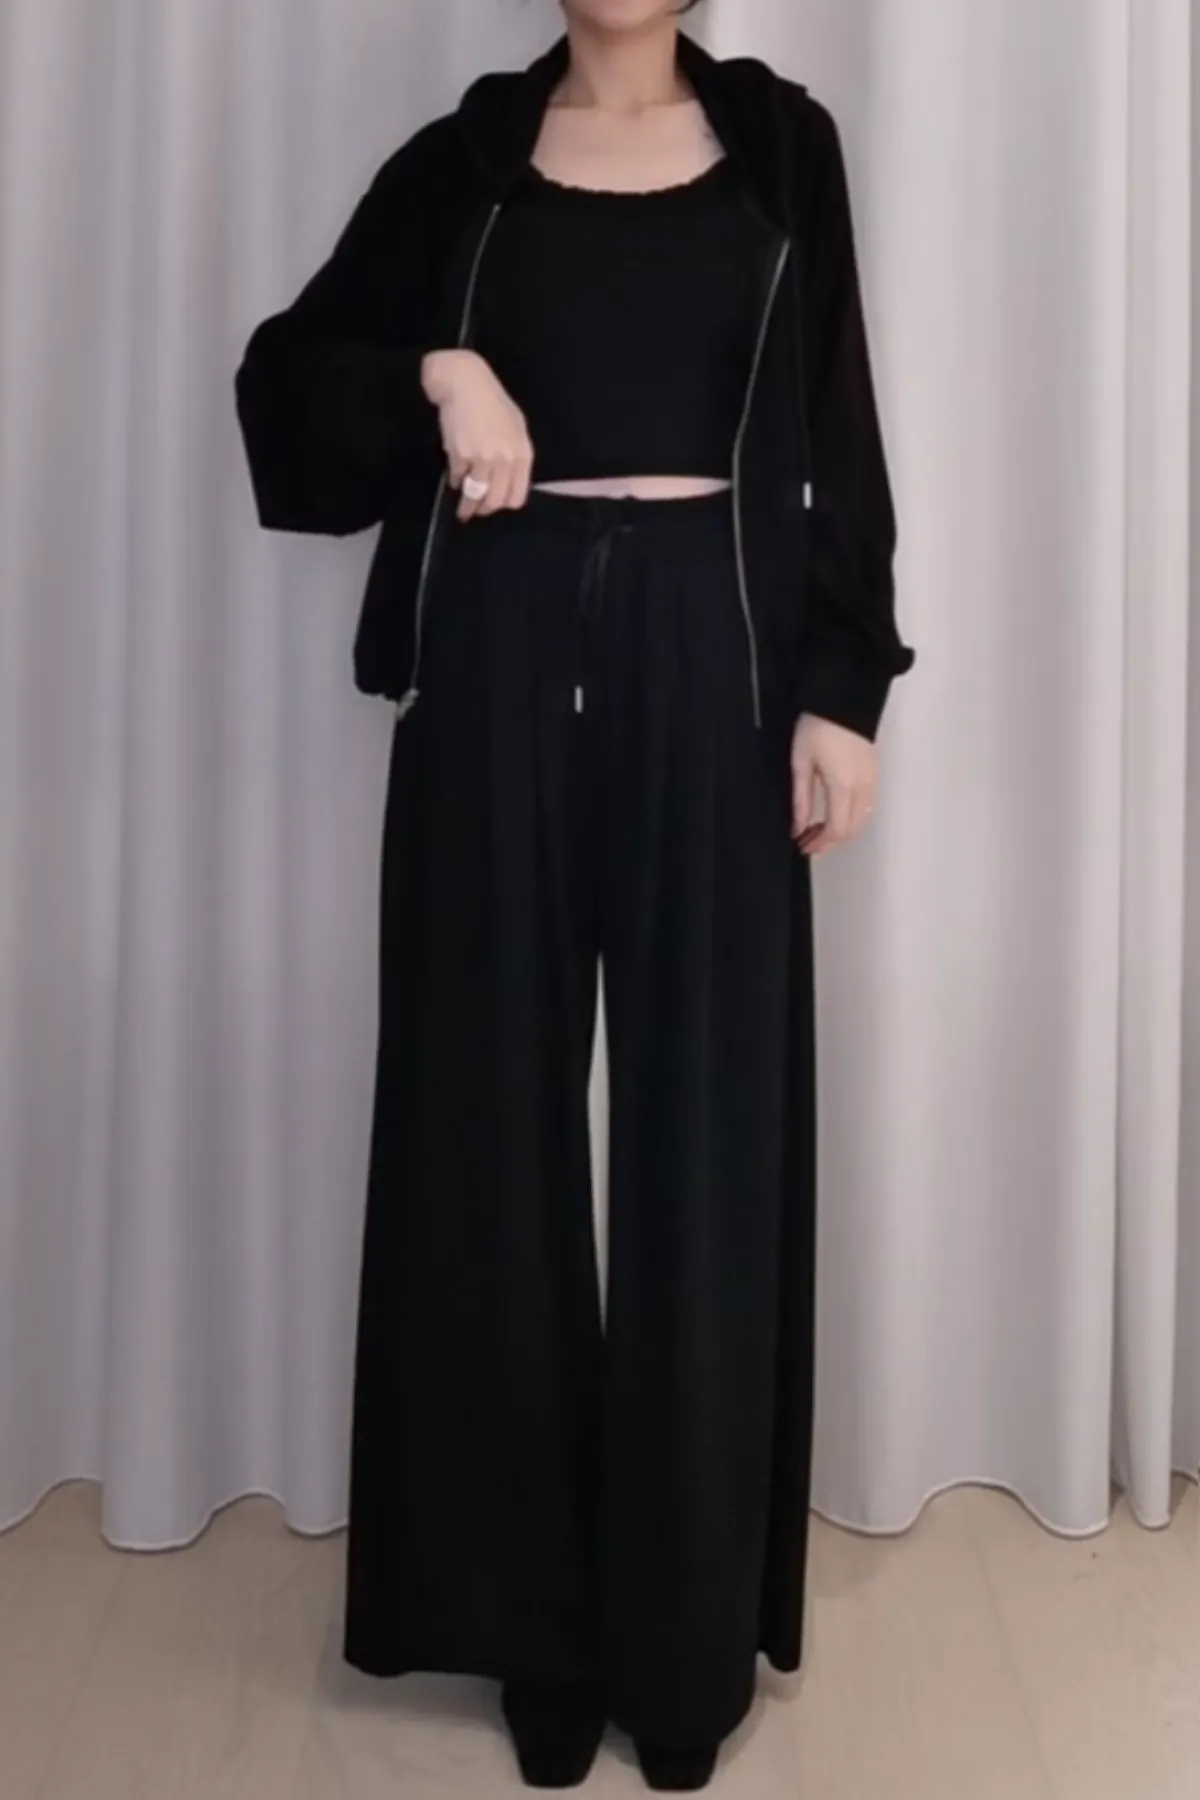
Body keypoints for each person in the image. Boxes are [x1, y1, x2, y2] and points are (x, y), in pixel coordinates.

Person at [234, 0, 916, 1789]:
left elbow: (839, 429)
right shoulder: (464, 164)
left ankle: (681, 1637)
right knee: (486, 1125)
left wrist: (847, 687)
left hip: (719, 658)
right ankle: (525, 1622)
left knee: (708, 1144)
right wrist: (436, 373)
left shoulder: (781, 154)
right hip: (500, 645)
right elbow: (284, 392)